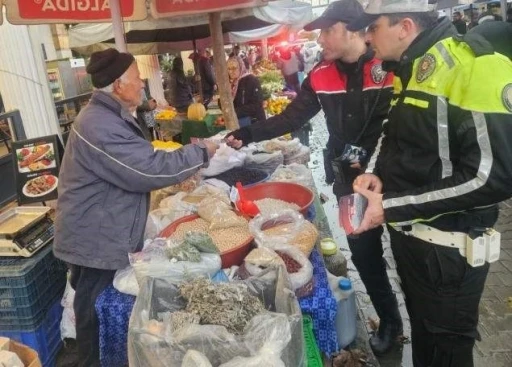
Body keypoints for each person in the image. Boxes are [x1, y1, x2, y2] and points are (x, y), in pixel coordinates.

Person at [226, 0, 403, 355]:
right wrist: (246, 135)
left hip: (394, 178)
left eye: (326, 30)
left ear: (350, 29)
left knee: (406, 255)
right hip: (346, 181)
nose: (320, 39)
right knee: (363, 252)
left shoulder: (391, 67)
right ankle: (391, 321)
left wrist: (376, 165)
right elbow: (292, 118)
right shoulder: (321, 73)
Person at [347, 1, 512, 366]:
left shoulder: (474, 66)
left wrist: (389, 206)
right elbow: (402, 139)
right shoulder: (410, 70)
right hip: (413, 247)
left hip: (449, 256)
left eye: (372, 28)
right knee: (424, 341)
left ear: (404, 26)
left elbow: (493, 176)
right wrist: (378, 176)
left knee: (446, 353)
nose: (367, 37)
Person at [53, 48, 218, 367]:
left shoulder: (110, 115)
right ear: (117, 85)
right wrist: (200, 153)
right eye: (136, 79)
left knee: (96, 310)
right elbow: (147, 170)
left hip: (103, 230)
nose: (143, 83)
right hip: (94, 237)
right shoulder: (98, 124)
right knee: (94, 314)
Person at [226, 56, 266, 126]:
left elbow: (257, 104)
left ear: (241, 67)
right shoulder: (231, 83)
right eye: (228, 69)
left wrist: (234, 111)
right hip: (239, 121)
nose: (231, 72)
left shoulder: (251, 80)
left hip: (254, 123)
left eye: (234, 68)